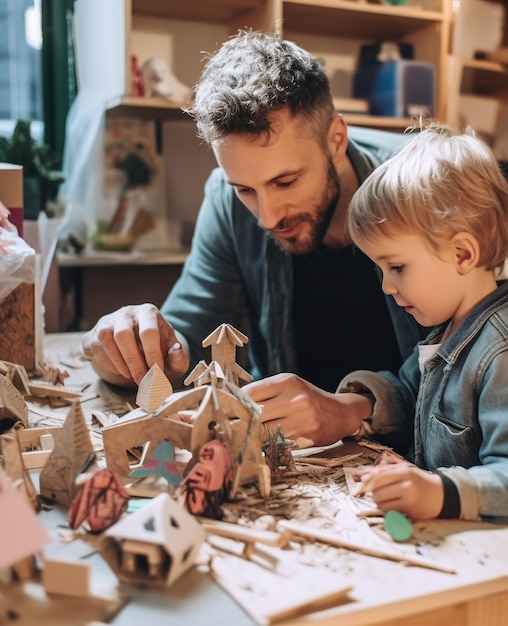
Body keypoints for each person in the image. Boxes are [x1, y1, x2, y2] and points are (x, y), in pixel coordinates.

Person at [81, 31, 425, 448]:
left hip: (416, 462)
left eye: (285, 181)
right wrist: (128, 348)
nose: (268, 216)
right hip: (301, 457)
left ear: (336, 138)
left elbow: (467, 366)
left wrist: (353, 408)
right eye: (245, 189)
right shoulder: (225, 200)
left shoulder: (424, 185)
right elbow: (186, 340)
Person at [340, 122, 508, 625]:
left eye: (396, 267)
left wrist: (436, 492)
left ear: (462, 253)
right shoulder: (449, 329)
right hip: (482, 538)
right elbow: (414, 391)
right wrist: (357, 403)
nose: (387, 288)